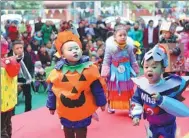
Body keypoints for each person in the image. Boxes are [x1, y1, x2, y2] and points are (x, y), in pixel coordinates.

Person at [46, 31, 107, 138]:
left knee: (81, 132)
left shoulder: (89, 69)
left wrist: (101, 102)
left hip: (83, 109)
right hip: (65, 110)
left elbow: (97, 88)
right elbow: (52, 90)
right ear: (62, 54)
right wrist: (51, 106)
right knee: (68, 131)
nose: (74, 51)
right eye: (70, 49)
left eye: (76, 48)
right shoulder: (57, 72)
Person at [131, 44, 189, 138]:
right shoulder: (142, 86)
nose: (149, 70)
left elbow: (176, 106)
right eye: (146, 67)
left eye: (154, 67)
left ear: (162, 69)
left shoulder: (169, 87)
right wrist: (136, 115)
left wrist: (161, 100)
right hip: (152, 125)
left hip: (168, 126)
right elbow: (136, 100)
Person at [101, 25, 139, 114]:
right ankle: (111, 105)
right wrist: (105, 72)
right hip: (114, 70)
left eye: (124, 35)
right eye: (120, 35)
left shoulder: (129, 47)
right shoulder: (110, 47)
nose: (123, 37)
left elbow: (133, 59)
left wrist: (135, 68)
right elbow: (106, 60)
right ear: (115, 37)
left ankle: (130, 107)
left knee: (127, 88)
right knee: (113, 88)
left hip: (126, 70)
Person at [1, 37, 21, 138]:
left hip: (2, 102)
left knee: (1, 128)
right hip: (9, 101)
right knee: (7, 124)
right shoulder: (10, 62)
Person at [8, 40, 34, 112]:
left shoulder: (27, 55)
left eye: (21, 48)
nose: (20, 50)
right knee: (12, 97)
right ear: (13, 49)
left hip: (25, 78)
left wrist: (30, 76)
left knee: (28, 96)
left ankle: (28, 111)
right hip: (13, 78)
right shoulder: (9, 57)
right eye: (17, 48)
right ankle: (12, 114)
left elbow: (31, 67)